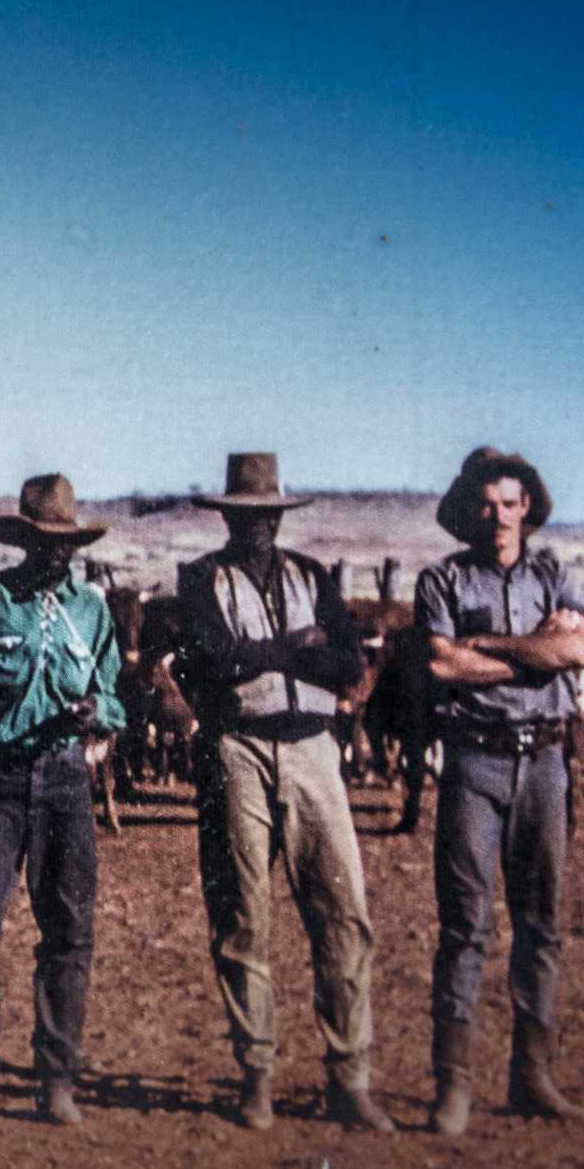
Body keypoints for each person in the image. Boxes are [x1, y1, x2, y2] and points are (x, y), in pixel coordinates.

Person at [172, 452, 383, 1132]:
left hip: (316, 750)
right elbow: (205, 664)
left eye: (267, 516)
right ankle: (256, 1072)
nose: (257, 527)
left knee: (344, 911)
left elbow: (348, 662)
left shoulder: (312, 576)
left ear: (280, 518)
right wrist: (295, 647)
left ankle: (349, 1075)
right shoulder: (201, 578)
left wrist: (258, 652)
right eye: (245, 516)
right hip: (236, 747)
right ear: (229, 518)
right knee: (241, 913)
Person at [0, 475, 123, 1129]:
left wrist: (98, 711)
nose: (54, 555)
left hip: (66, 783)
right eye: (43, 542)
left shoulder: (93, 610)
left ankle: (57, 1078)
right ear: (23, 541)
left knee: (69, 932)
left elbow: (116, 692)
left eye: (64, 544)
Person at [416, 446, 584, 1134]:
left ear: (528, 508)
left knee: (540, 922)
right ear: (469, 510)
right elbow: (440, 663)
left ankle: (532, 1076)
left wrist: (484, 648)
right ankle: (453, 1085)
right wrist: (529, 650)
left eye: (510, 503)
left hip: (545, 764)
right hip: (473, 764)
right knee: (465, 925)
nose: (499, 516)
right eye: (486, 504)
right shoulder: (442, 580)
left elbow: (573, 652)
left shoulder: (557, 575)